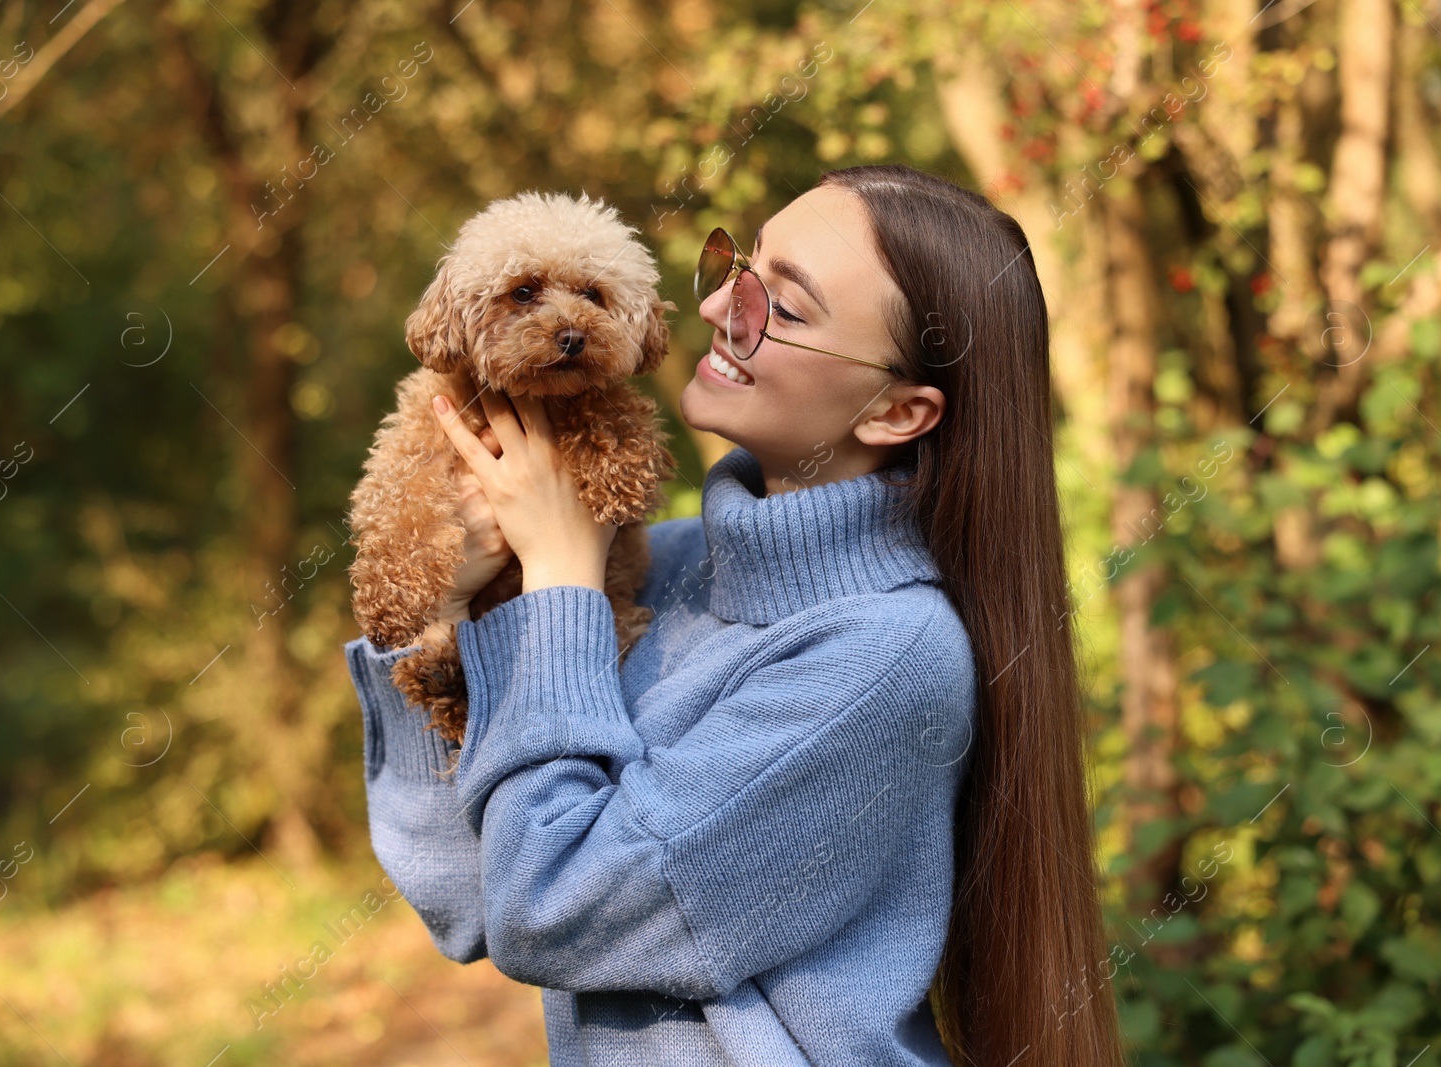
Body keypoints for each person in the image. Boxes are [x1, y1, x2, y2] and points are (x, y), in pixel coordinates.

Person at [345, 162, 1122, 1066]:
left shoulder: (882, 659)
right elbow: (463, 898)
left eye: (785, 309)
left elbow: (548, 909)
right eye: (738, 266)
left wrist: (559, 579)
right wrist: (441, 617)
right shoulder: (663, 569)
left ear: (899, 409)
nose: (718, 309)